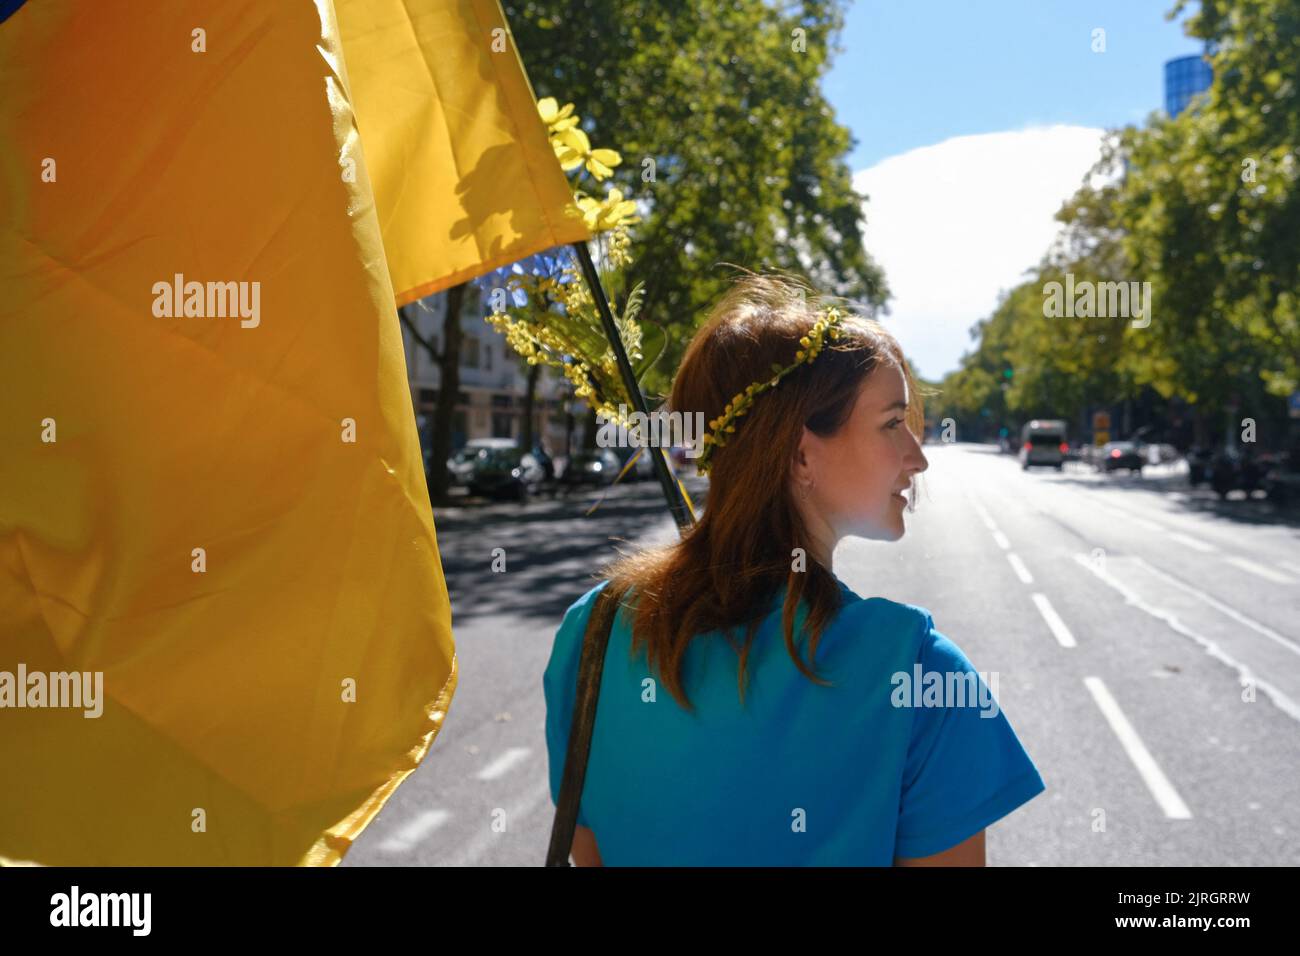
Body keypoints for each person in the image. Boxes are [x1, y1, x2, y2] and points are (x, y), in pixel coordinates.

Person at [543, 272, 1045, 866]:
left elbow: (592, 853)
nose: (918, 457)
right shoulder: (922, 674)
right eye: (892, 424)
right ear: (802, 453)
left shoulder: (594, 631)